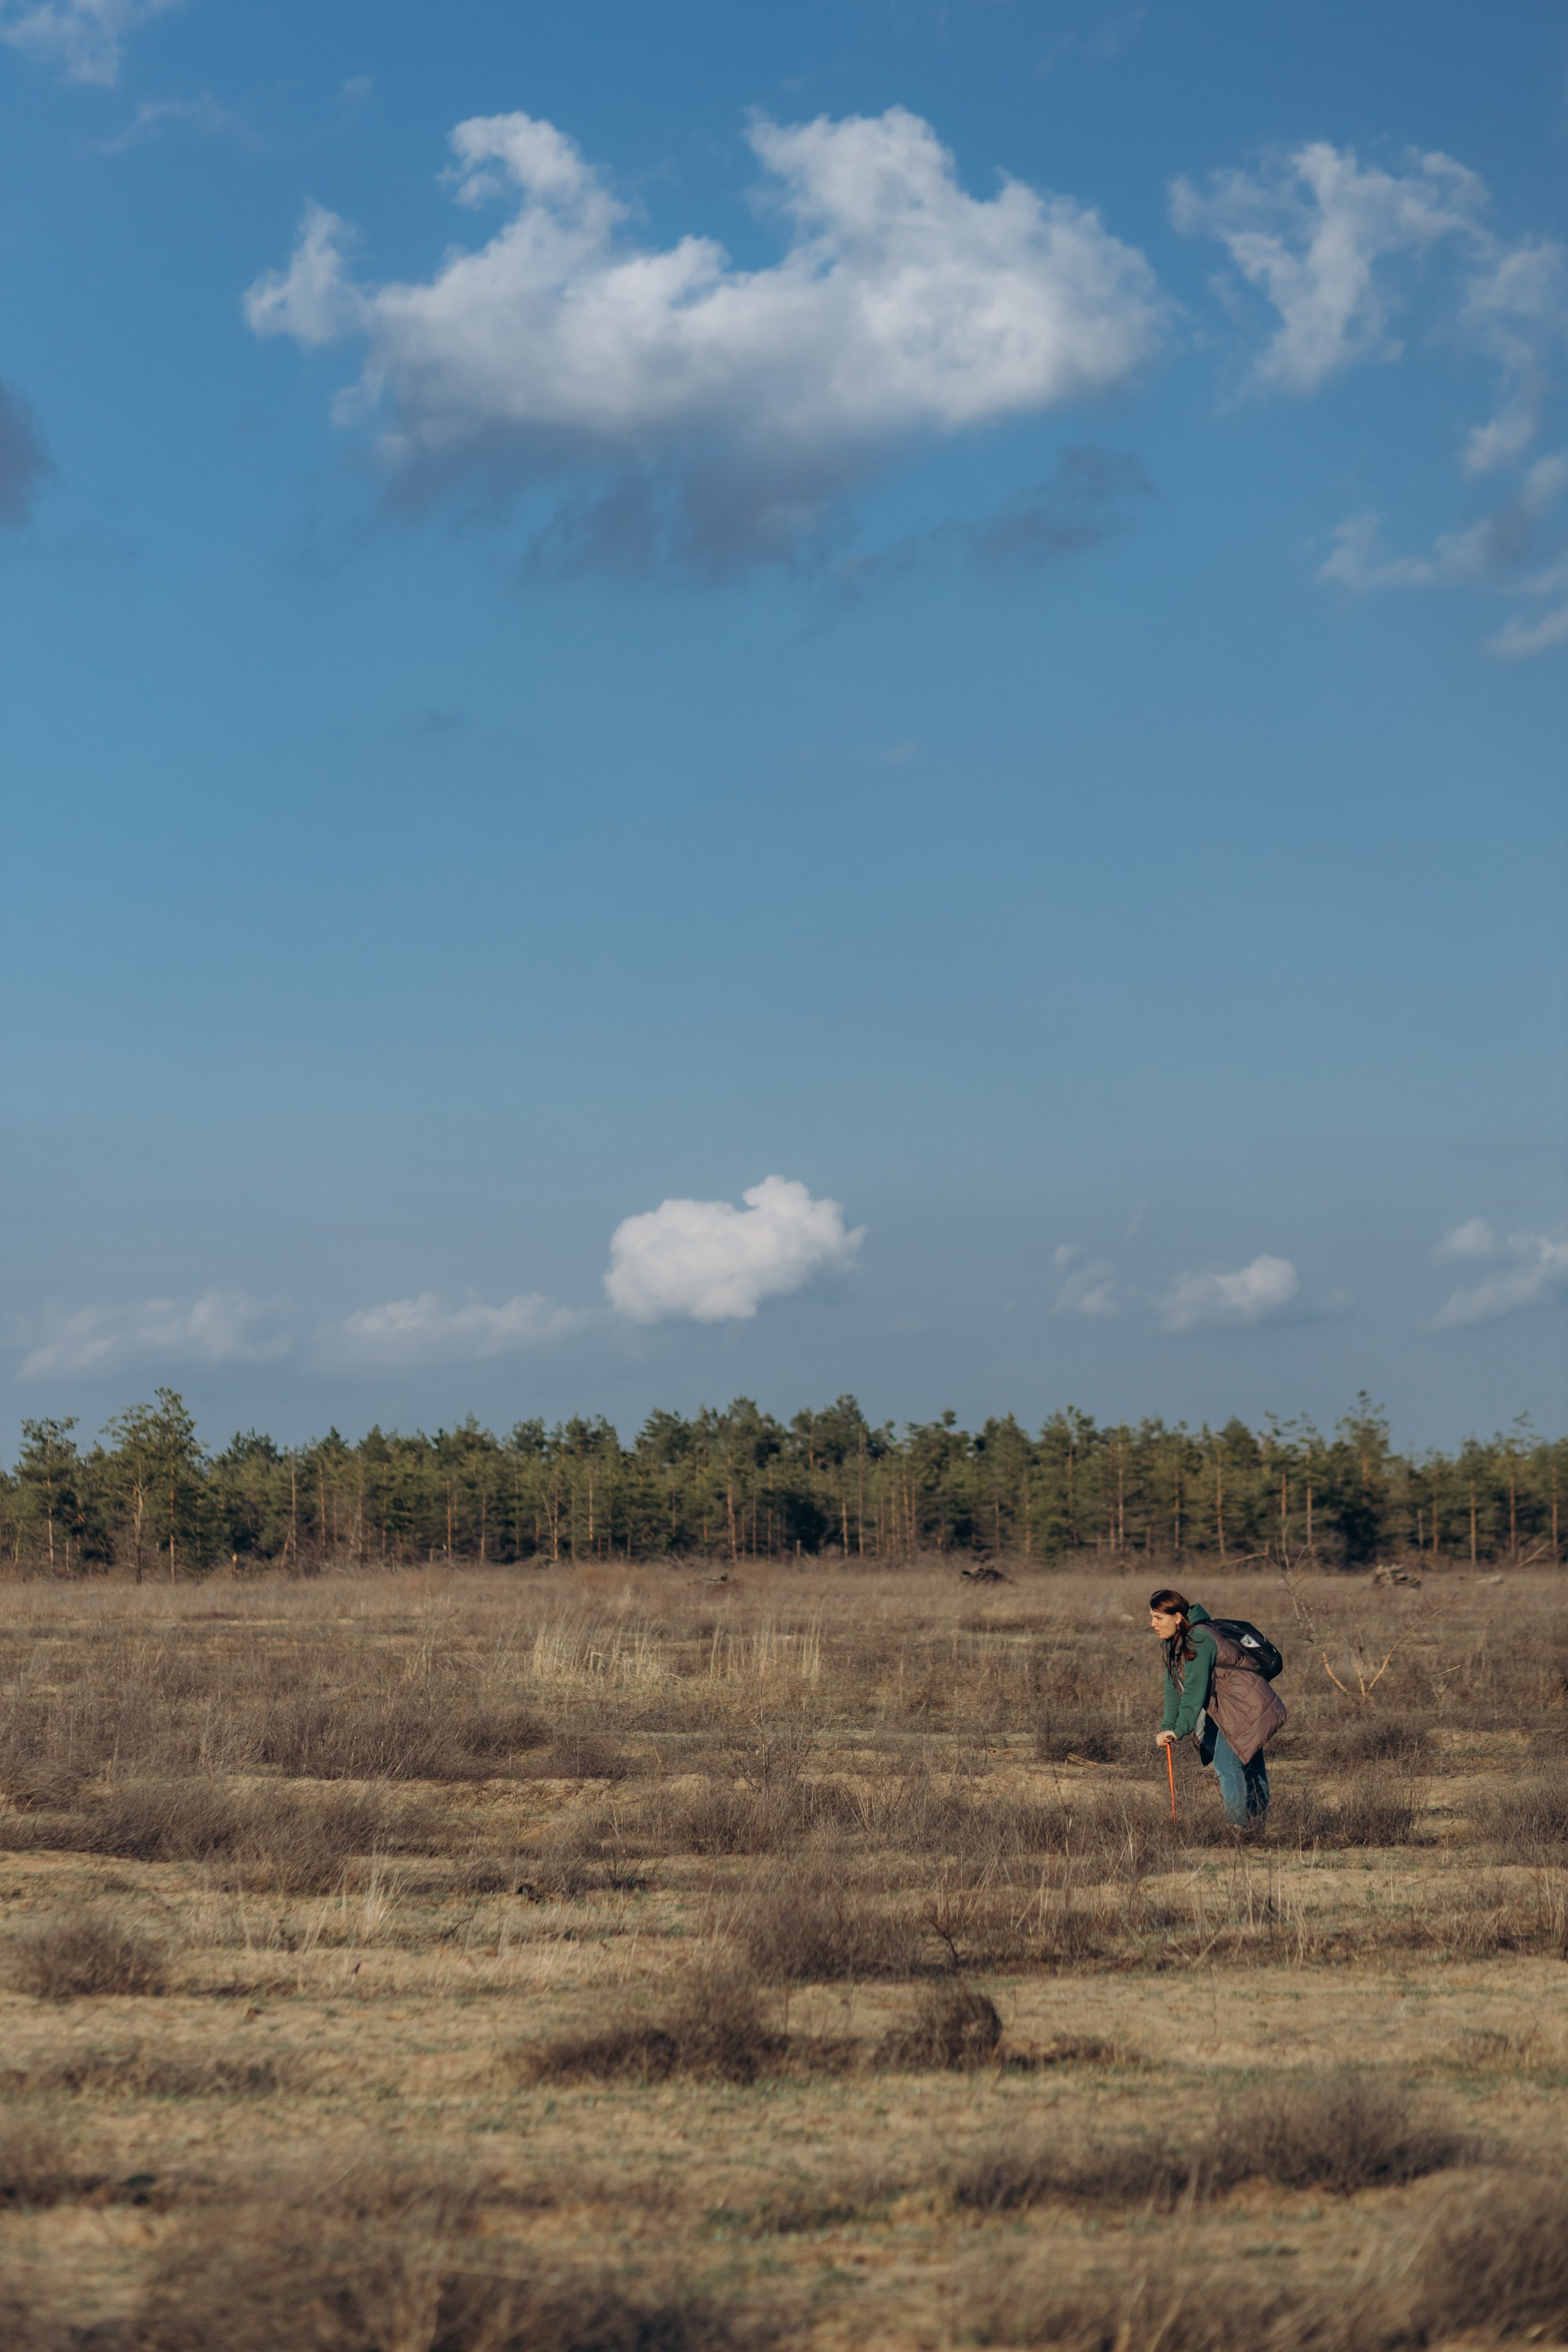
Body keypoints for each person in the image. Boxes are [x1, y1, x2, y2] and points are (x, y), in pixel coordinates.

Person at [1150, 1588, 1284, 1825]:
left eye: (1158, 1618)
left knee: (1227, 1762)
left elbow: (1194, 1689)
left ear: (1178, 1618)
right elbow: (1173, 1686)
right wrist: (1167, 1725)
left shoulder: (1199, 1639)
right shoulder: (1171, 1645)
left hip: (1247, 1705)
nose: (1152, 1624)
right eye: (1152, 1617)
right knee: (1248, 1762)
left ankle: (1237, 1829)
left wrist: (1179, 1729)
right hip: (1229, 1708)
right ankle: (1255, 1829)